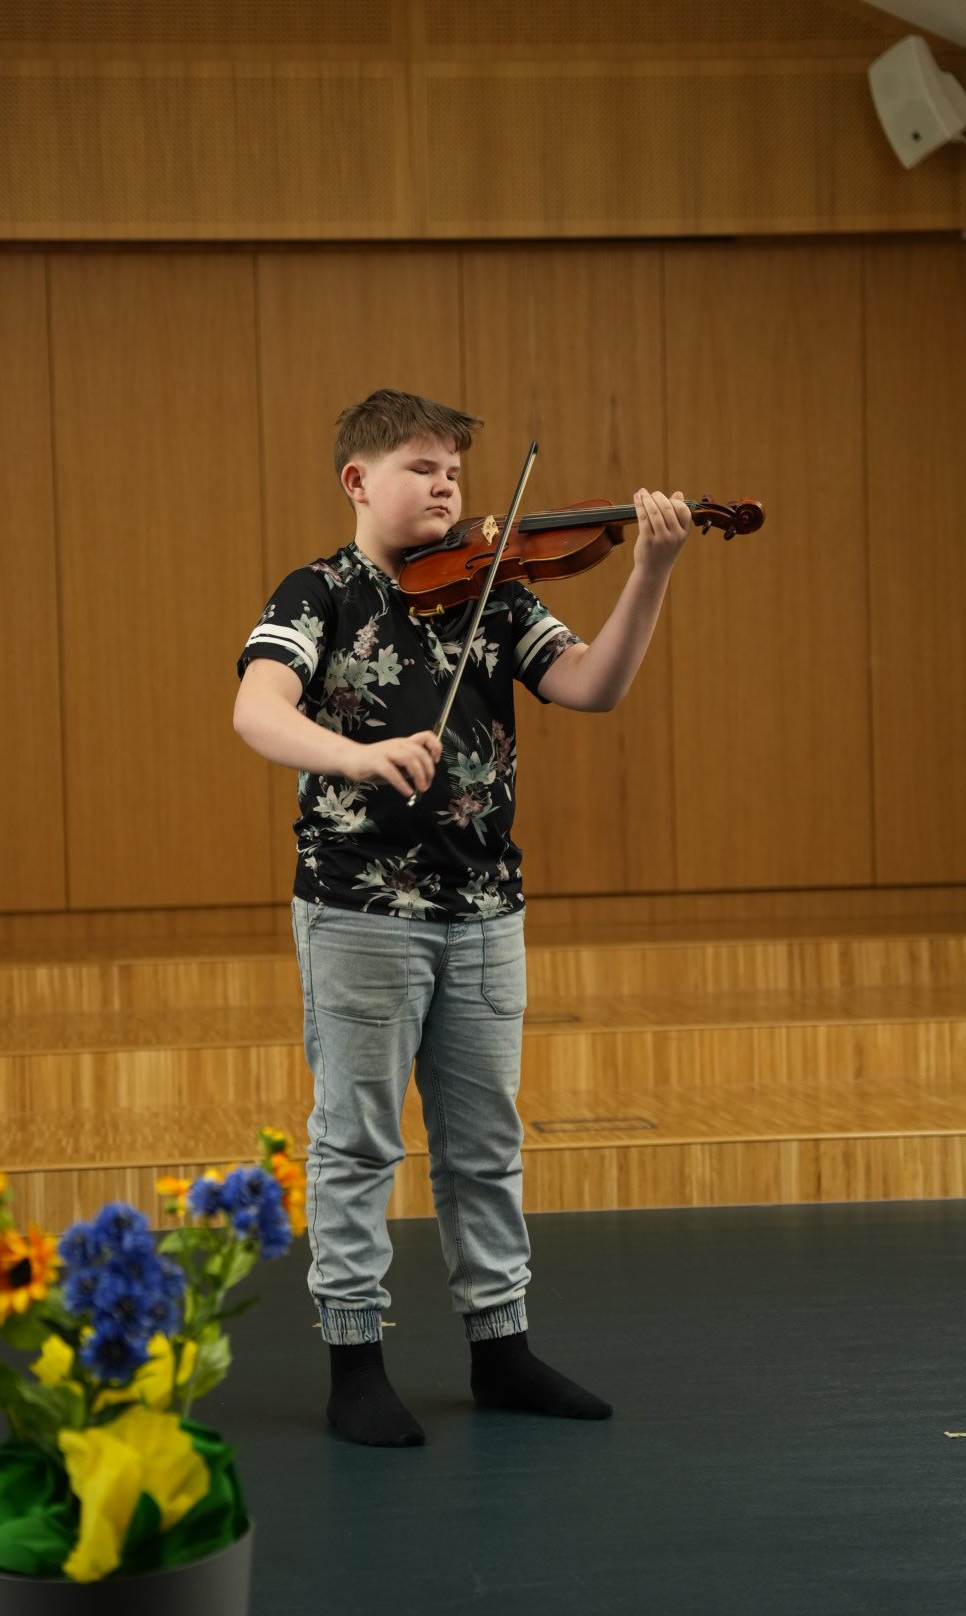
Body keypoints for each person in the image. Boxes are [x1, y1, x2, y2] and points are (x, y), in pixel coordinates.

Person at [233, 389, 690, 1447]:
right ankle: (355, 1362)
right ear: (358, 481)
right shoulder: (320, 593)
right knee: (357, 1144)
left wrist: (652, 569)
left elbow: (593, 685)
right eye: (422, 469)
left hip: (485, 908)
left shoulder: (498, 593)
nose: (446, 489)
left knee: (485, 1144)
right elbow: (257, 708)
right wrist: (356, 755)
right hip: (360, 908)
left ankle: (502, 1348)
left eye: (454, 472)